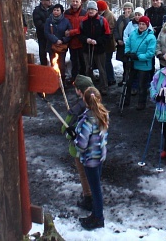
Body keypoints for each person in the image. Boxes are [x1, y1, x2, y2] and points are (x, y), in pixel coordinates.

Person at [68, 86, 109, 230]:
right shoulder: (102, 114)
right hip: (100, 156)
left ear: (85, 100)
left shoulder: (87, 121)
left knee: (95, 188)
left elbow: (82, 145)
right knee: (96, 186)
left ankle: (98, 217)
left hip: (91, 159)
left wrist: (74, 137)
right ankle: (96, 214)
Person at [63, 75, 95, 212]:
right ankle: (92, 195)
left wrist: (68, 129)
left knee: (84, 174)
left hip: (80, 148)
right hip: (95, 148)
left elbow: (65, 128)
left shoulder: (78, 110)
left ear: (79, 91)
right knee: (92, 173)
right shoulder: (96, 104)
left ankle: (88, 197)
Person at [79, 1, 112, 95]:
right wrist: (86, 40)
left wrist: (97, 41)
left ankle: (104, 87)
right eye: (89, 9)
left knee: (101, 69)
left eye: (93, 9)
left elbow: (107, 35)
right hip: (87, 48)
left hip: (99, 49)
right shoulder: (83, 21)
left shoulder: (102, 20)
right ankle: (90, 87)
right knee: (88, 68)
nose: (90, 11)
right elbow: (79, 34)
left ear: (96, 10)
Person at [124, 16, 156, 109]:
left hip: (144, 65)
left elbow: (150, 53)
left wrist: (138, 57)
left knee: (142, 85)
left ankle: (141, 103)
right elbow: (128, 44)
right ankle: (126, 100)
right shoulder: (133, 34)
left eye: (143, 24)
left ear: (147, 25)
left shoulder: (151, 37)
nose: (141, 26)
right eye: (140, 24)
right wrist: (127, 53)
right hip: (132, 63)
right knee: (128, 83)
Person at [44, 3, 71, 85]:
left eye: (57, 10)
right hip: (51, 46)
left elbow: (70, 33)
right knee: (53, 64)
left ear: (61, 11)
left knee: (61, 65)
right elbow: (47, 32)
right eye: (54, 10)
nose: (55, 12)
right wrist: (55, 40)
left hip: (62, 47)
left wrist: (63, 40)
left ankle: (62, 81)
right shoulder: (48, 21)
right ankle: (54, 81)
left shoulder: (66, 21)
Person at [64, 0, 87, 84]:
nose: (75, 3)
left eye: (77, 1)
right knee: (74, 60)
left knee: (83, 61)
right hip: (71, 41)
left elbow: (84, 28)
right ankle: (74, 78)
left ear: (80, 3)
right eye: (73, 1)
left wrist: (72, 32)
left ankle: (84, 78)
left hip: (81, 41)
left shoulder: (84, 13)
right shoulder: (66, 13)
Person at [97, 0, 117, 87]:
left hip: (108, 43)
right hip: (103, 42)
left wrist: (105, 37)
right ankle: (107, 78)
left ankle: (111, 78)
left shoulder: (110, 16)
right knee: (104, 61)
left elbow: (111, 29)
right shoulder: (101, 15)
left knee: (107, 61)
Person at [114, 2, 133, 87]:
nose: (127, 10)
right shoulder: (120, 18)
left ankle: (130, 79)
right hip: (121, 44)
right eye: (126, 8)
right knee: (124, 63)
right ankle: (124, 78)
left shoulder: (133, 18)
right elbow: (116, 29)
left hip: (129, 44)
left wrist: (126, 18)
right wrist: (118, 39)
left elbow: (128, 28)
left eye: (129, 8)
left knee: (130, 63)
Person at [33, 0, 53, 66]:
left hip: (52, 36)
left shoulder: (53, 9)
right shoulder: (37, 11)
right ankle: (44, 68)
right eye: (48, 0)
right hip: (42, 36)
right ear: (43, 1)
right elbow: (38, 24)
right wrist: (49, 27)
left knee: (53, 54)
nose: (50, 1)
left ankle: (54, 70)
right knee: (42, 53)